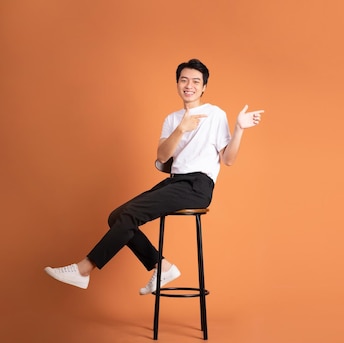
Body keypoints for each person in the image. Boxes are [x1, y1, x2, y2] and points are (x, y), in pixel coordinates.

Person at [44, 58, 264, 294]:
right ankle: (163, 266)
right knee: (116, 216)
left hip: (198, 186)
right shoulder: (172, 119)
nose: (189, 85)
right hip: (175, 181)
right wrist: (181, 128)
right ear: (178, 83)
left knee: (129, 214)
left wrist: (239, 128)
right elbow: (161, 157)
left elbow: (228, 160)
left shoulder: (215, 114)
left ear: (204, 87)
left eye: (196, 81)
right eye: (184, 80)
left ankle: (84, 269)